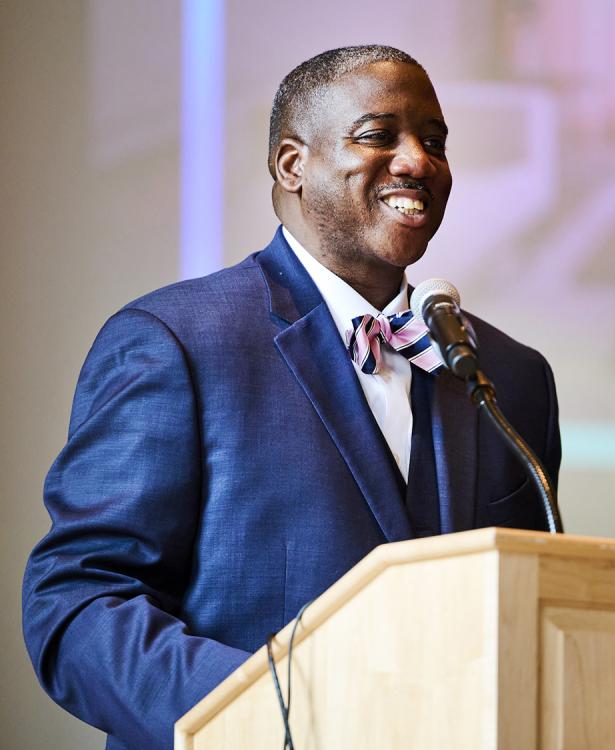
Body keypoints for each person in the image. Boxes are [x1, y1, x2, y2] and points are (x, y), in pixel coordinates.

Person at [22, 45, 560, 750]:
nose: (418, 161)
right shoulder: (173, 341)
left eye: (435, 142)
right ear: (291, 166)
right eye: (379, 135)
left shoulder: (509, 377)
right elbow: (80, 606)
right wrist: (280, 718)